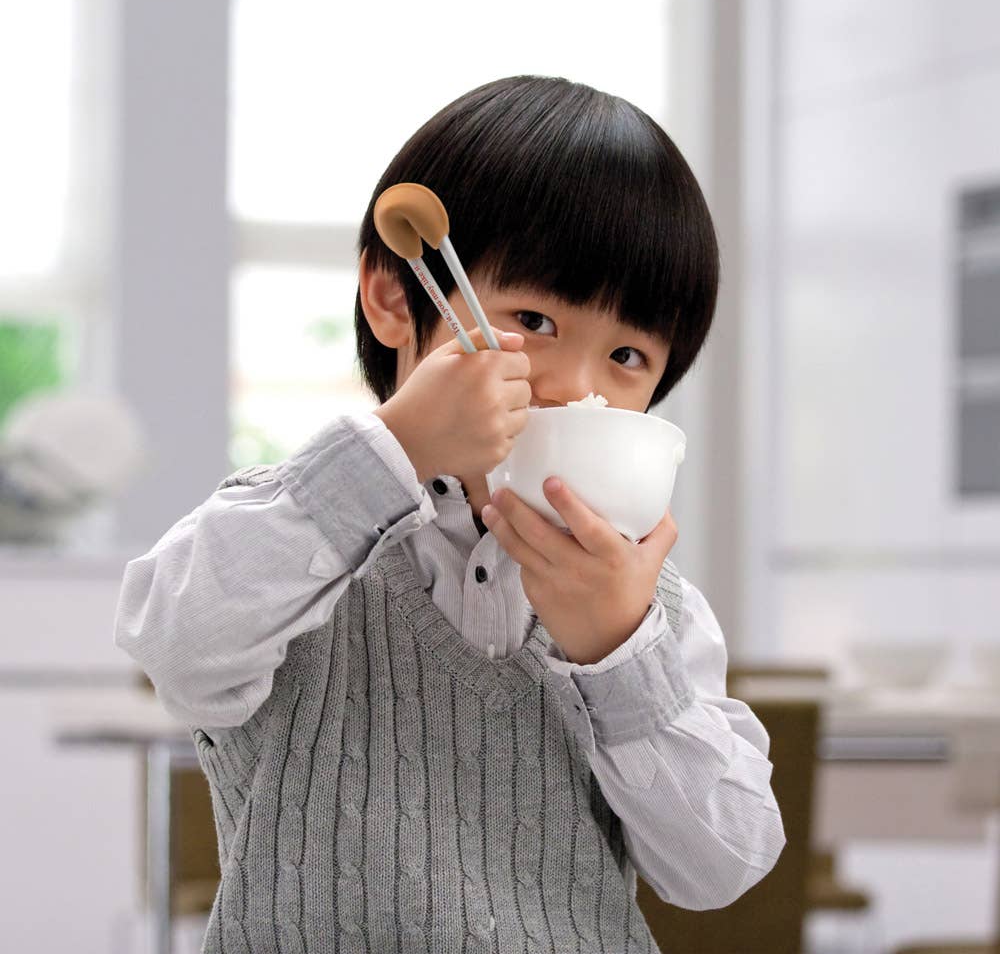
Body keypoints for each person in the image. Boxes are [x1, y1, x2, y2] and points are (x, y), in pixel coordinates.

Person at [114, 75, 785, 953]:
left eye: (626, 354)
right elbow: (176, 644)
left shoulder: (651, 612)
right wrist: (394, 446)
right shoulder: (295, 532)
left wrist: (618, 650)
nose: (575, 387)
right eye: (535, 320)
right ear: (396, 299)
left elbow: (720, 867)